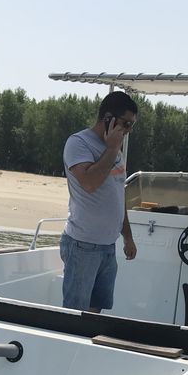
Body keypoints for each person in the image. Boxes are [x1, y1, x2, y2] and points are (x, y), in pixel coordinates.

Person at [60, 91, 138, 312]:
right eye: (126, 124)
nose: (128, 131)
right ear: (108, 119)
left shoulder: (117, 151)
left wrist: (128, 237)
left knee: (96, 312)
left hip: (107, 247)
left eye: (132, 125)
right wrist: (112, 148)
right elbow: (89, 183)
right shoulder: (78, 143)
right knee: (75, 313)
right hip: (82, 245)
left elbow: (117, 194)